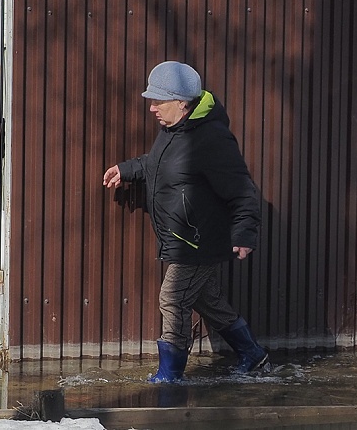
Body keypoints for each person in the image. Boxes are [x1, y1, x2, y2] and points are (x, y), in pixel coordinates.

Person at [103, 61, 268, 383]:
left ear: (182, 102)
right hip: (181, 237)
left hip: (199, 240)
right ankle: (253, 354)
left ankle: (170, 376)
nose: (152, 107)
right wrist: (129, 169)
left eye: (158, 100)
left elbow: (242, 189)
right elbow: (160, 163)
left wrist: (246, 232)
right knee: (209, 300)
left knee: (173, 298)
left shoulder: (212, 138)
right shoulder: (174, 131)